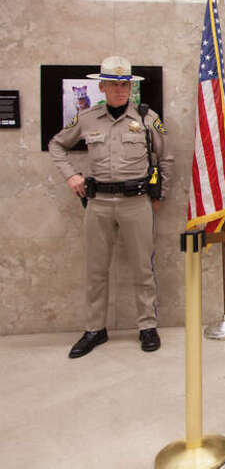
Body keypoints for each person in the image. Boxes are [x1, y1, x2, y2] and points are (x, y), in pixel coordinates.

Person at [49, 56, 174, 358]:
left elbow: (166, 156)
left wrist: (160, 194)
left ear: (131, 87)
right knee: (95, 270)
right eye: (114, 85)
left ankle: (147, 326)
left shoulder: (147, 118)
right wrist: (71, 175)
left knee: (143, 268)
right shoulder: (88, 118)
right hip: (99, 203)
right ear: (102, 86)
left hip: (136, 203)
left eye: (126, 85)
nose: (121, 90)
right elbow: (57, 144)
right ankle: (95, 329)